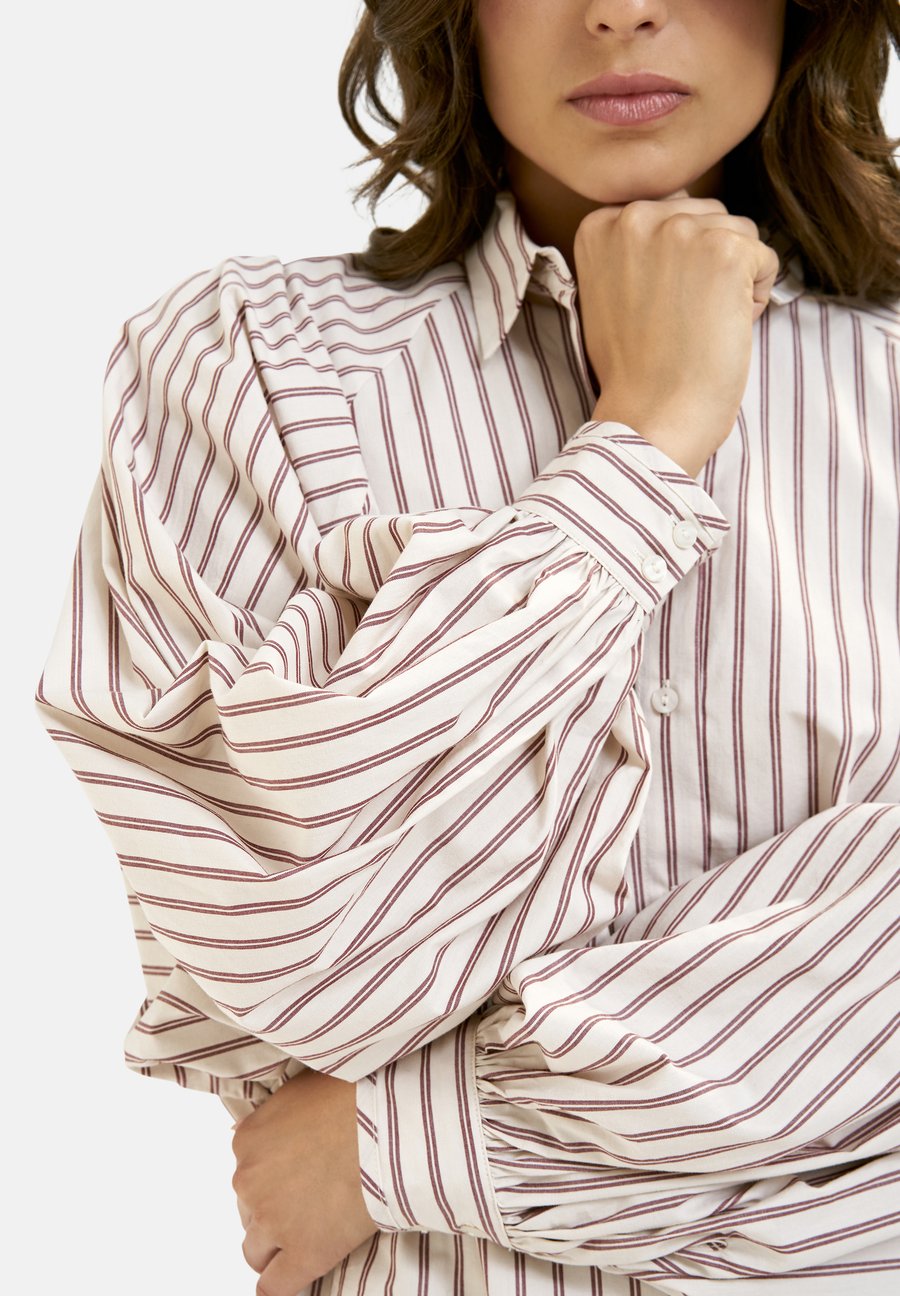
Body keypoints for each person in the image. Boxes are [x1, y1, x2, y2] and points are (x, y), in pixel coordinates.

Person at [33, 0, 900, 1293]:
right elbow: (308, 947)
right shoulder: (252, 366)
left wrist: (400, 1141)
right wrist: (646, 436)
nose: (620, 10)